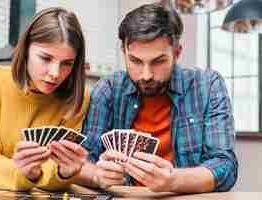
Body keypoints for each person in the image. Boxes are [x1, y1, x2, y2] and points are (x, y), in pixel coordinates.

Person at [78, 3, 237, 193]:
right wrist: (97, 174)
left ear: (177, 53)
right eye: (135, 61)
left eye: (158, 61)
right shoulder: (108, 89)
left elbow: (225, 166)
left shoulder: (208, 85)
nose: (146, 75)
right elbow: (84, 160)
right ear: (124, 52)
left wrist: (173, 181)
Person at [0, 7, 90, 191]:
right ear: (26, 50)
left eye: (67, 64)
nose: (55, 74)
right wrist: (24, 173)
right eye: (45, 58)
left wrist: (64, 173)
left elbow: (51, 175)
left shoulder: (78, 97)